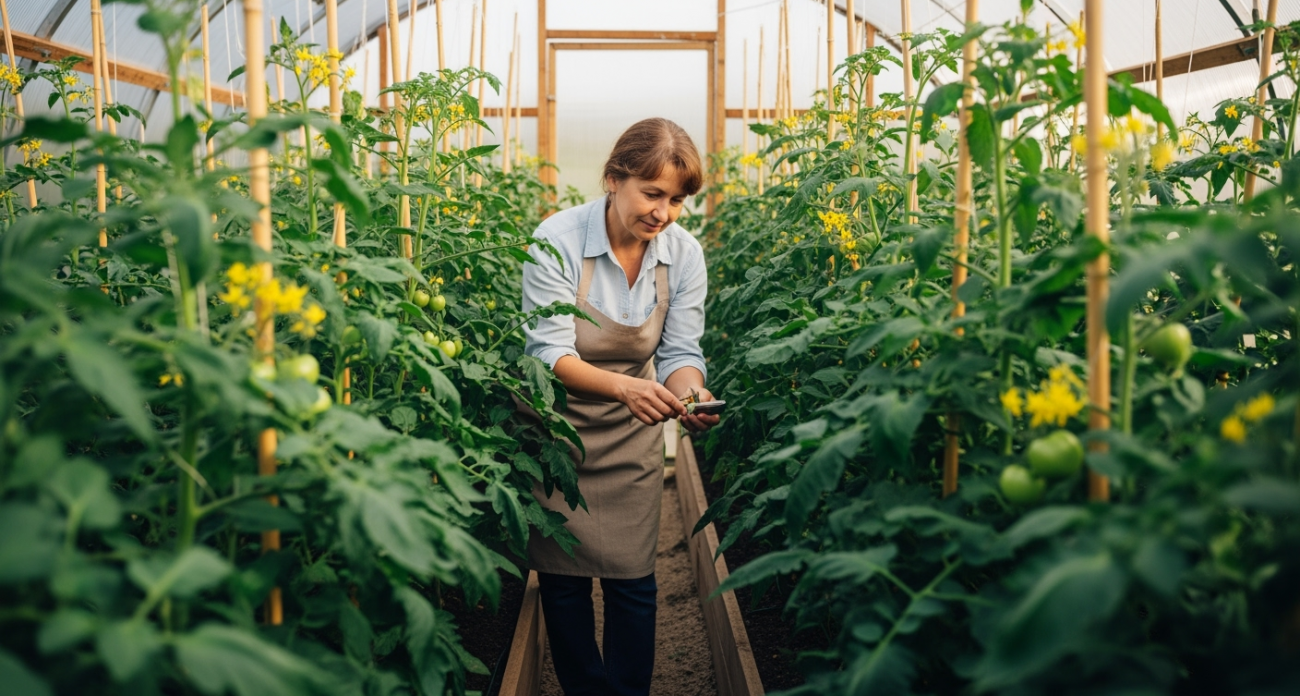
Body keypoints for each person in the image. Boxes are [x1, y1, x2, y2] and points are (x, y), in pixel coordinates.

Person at [520, 117, 720, 696]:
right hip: (558, 429)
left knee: (634, 580)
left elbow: (682, 350)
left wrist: (691, 394)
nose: (664, 212)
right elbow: (549, 351)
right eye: (652, 193)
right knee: (563, 582)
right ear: (614, 178)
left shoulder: (683, 254)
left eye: (677, 200)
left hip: (635, 428)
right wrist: (627, 389)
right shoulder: (557, 239)